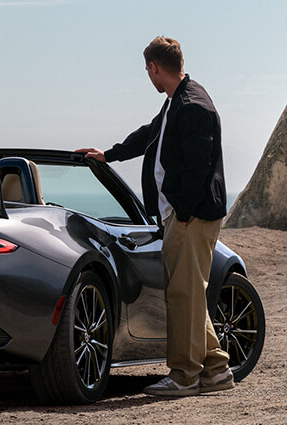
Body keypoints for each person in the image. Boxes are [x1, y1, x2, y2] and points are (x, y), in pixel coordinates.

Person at [76, 36, 234, 396]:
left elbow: (200, 166)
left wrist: (184, 212)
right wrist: (109, 155)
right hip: (181, 215)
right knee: (189, 293)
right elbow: (150, 135)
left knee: (182, 295)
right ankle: (216, 370)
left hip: (189, 217)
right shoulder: (176, 102)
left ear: (154, 67)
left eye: (146, 70)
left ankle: (184, 376)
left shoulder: (193, 105)